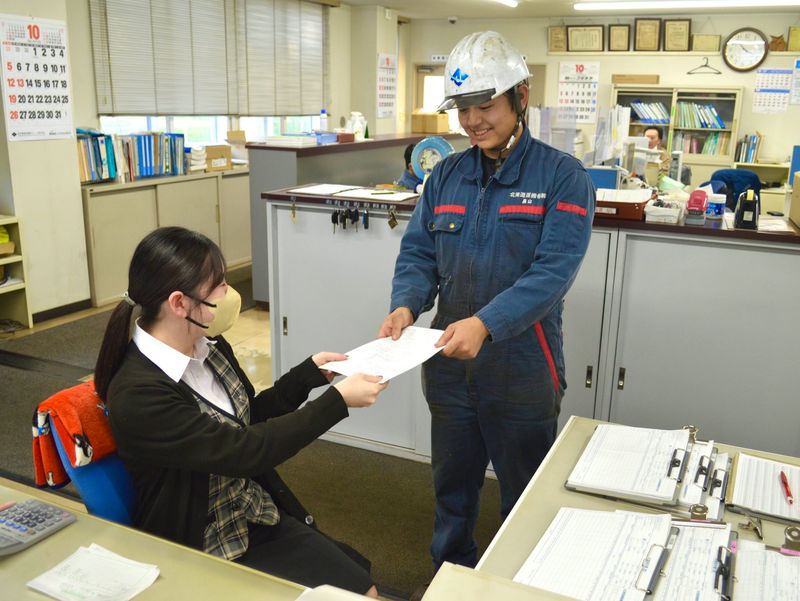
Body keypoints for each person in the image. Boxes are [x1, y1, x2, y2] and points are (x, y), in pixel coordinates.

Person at [378, 31, 595, 573]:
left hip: (522, 367)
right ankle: (449, 576)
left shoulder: (563, 177)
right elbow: (419, 253)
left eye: (485, 105)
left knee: (524, 499)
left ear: (520, 96)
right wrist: (406, 305)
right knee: (452, 489)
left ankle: (515, 583)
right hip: (450, 365)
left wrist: (487, 323)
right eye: (462, 109)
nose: (472, 121)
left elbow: (552, 273)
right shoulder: (446, 174)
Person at [95, 226, 385, 597]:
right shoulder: (139, 393)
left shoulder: (207, 345)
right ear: (179, 303)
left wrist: (307, 376)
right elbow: (242, 451)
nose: (229, 294)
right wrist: (337, 402)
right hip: (200, 543)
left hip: (250, 512)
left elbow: (247, 419)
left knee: (364, 589)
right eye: (217, 285)